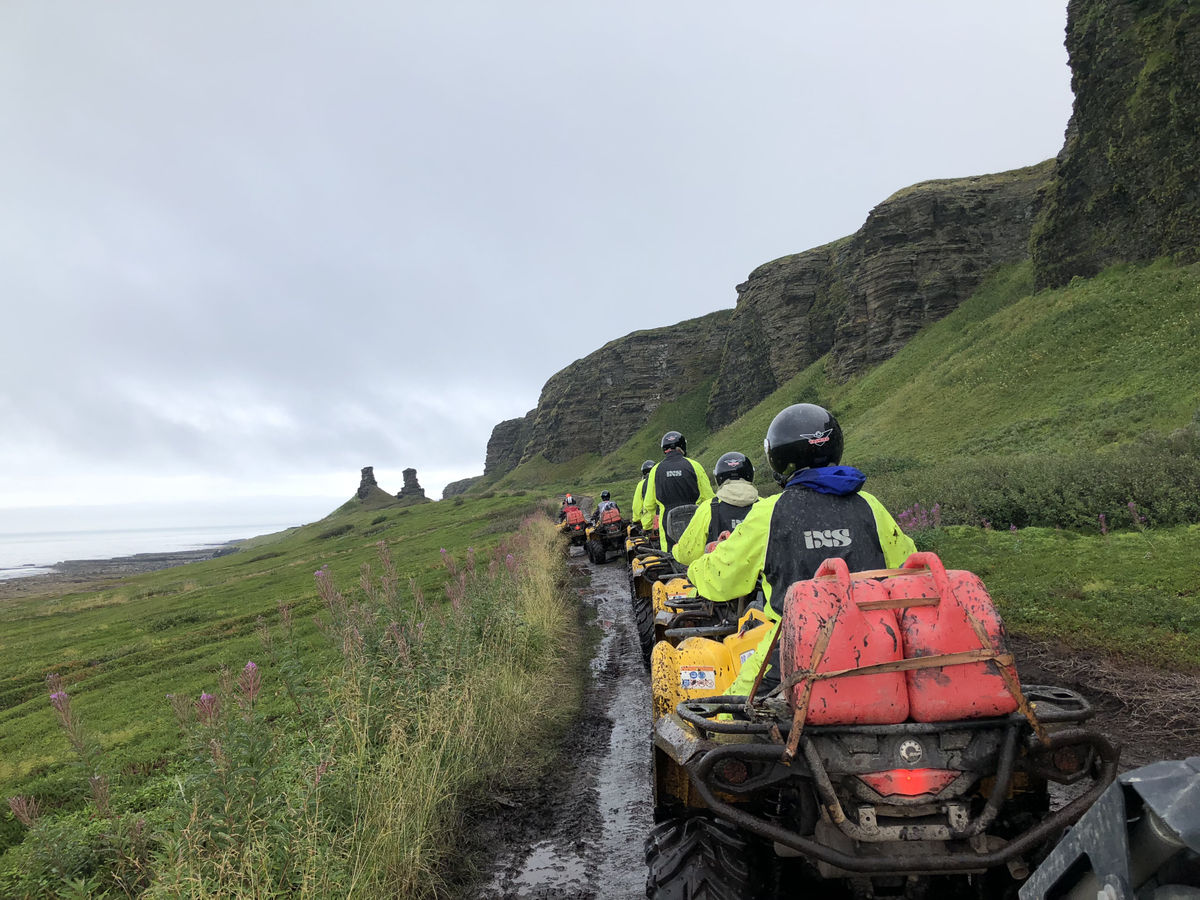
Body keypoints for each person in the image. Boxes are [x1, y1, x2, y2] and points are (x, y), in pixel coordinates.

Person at [685, 403, 915, 695]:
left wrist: (699, 564)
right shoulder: (871, 506)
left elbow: (719, 582)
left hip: (792, 653)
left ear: (779, 458)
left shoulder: (770, 513)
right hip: (877, 649)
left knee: (725, 718)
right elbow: (909, 573)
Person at [672, 451, 759, 566]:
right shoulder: (767, 506)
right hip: (760, 581)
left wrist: (676, 549)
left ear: (719, 476)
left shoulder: (708, 508)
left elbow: (687, 556)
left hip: (719, 580)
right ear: (750, 474)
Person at [640, 431, 714, 551]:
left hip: (668, 526)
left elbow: (649, 504)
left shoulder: (655, 470)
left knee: (671, 558)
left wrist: (647, 526)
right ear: (682, 446)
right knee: (696, 555)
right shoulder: (695, 465)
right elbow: (709, 498)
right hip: (695, 521)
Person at [629, 460, 655, 533]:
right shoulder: (663, 480)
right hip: (667, 520)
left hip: (650, 524)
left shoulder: (641, 484)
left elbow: (636, 506)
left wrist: (636, 520)